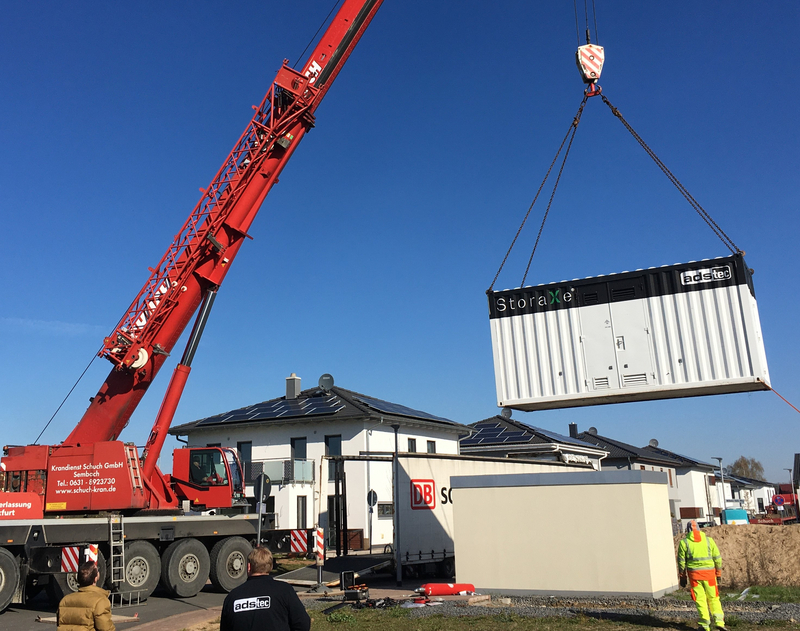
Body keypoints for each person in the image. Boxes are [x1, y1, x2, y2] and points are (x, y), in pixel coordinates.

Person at [220, 546, 310, 631]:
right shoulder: (284, 591)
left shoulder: (233, 597)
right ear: (270, 567)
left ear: (249, 567)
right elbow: (303, 624)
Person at [677, 520, 726, 631]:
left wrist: (683, 577)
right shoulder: (709, 541)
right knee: (713, 598)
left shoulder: (684, 543)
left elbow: (681, 562)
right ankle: (719, 622)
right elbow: (718, 559)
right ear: (699, 529)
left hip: (695, 577)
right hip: (710, 576)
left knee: (700, 599)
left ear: (687, 530)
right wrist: (718, 574)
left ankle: (705, 625)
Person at [56, 560, 115, 631]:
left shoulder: (65, 600)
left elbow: (60, 624)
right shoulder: (100, 601)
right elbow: (106, 628)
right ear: (96, 578)